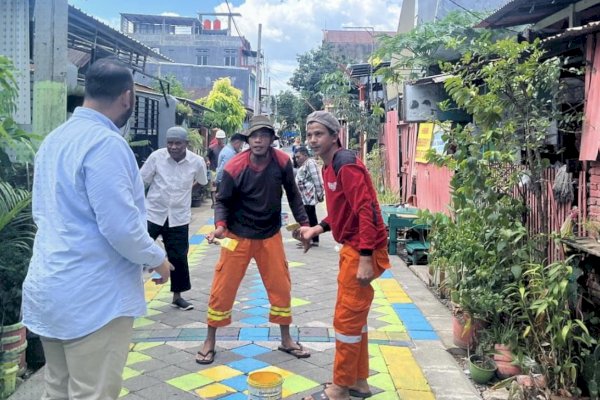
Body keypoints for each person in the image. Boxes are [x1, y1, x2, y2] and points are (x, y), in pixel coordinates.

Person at [21, 57, 173, 400]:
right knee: (93, 393)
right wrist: (157, 258)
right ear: (128, 97)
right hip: (92, 296)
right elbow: (120, 227)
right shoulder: (105, 144)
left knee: (58, 388)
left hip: (51, 286)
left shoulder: (55, 140)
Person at [196, 115, 311, 364]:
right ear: (248, 140)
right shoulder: (234, 166)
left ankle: (286, 339)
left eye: (264, 135)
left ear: (271, 139)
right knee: (222, 288)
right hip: (237, 236)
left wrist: (304, 226)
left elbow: (293, 195)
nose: (258, 140)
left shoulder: (281, 162)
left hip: (270, 235)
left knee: (281, 286)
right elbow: (223, 202)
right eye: (254, 136)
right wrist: (219, 227)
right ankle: (210, 340)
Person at [297, 110, 391, 400]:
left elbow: (367, 210)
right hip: (352, 247)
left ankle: (339, 388)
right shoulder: (327, 167)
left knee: (346, 321)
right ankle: (359, 382)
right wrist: (318, 228)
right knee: (356, 321)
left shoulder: (345, 164)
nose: (313, 140)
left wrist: (365, 257)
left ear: (334, 135)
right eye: (310, 134)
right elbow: (343, 212)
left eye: (319, 134)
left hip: (363, 248)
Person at [140, 126, 208, 310]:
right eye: (170, 143)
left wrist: (187, 192)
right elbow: (141, 181)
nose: (174, 147)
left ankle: (177, 296)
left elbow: (202, 182)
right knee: (138, 252)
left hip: (179, 216)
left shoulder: (197, 162)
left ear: (186, 144)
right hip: (153, 212)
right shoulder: (157, 157)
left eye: (178, 143)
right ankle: (127, 293)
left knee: (178, 256)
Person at [294, 145, 324, 247]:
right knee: (310, 218)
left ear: (305, 155)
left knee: (309, 218)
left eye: (299, 157)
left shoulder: (310, 163)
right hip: (304, 197)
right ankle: (313, 240)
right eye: (296, 157)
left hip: (309, 197)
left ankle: (310, 239)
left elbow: (317, 179)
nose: (297, 159)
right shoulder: (304, 164)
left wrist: (320, 194)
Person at [207, 129, 226, 207]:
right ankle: (214, 203)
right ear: (216, 138)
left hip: (223, 171)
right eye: (219, 138)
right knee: (213, 187)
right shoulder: (212, 148)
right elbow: (207, 156)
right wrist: (208, 161)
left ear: (224, 138)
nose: (220, 140)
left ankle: (220, 202)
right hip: (213, 170)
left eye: (222, 138)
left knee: (222, 187)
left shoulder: (226, 149)